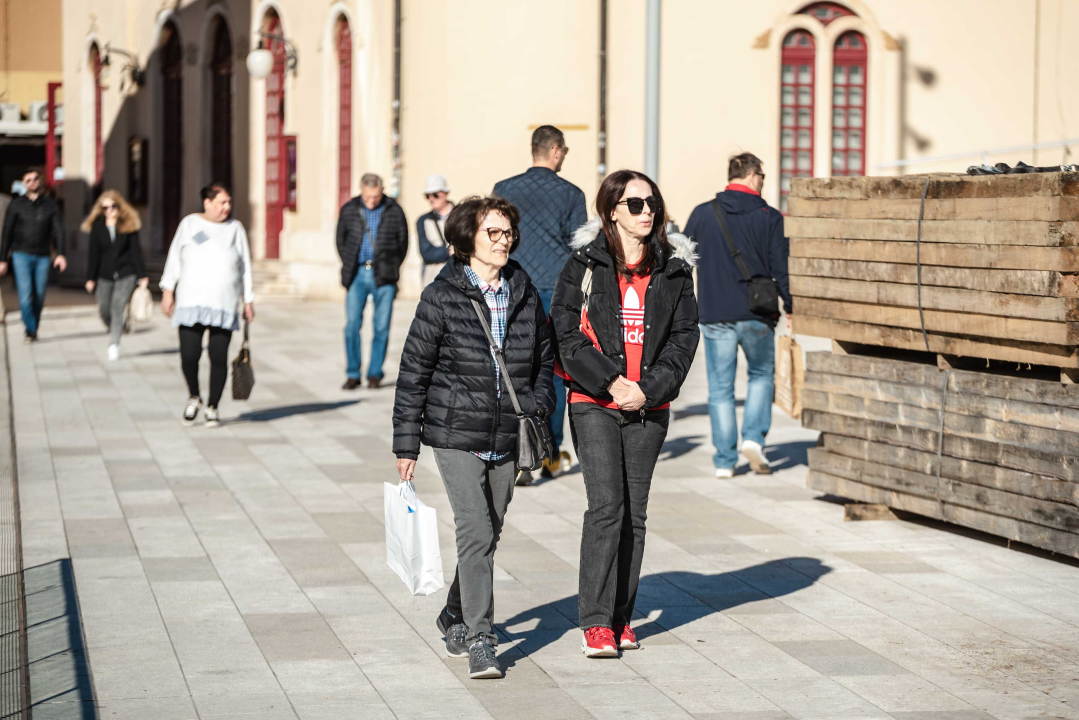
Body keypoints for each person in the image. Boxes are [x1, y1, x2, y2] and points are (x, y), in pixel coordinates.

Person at [392, 196, 554, 680]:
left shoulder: (523, 290)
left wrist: (538, 403)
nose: (505, 241)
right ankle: (483, 637)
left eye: (508, 233)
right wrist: (406, 445)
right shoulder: (441, 296)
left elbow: (544, 359)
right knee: (476, 530)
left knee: (490, 531)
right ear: (466, 241)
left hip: (508, 432)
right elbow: (413, 371)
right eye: (494, 233)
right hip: (454, 431)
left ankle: (453, 614)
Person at [551, 169, 699, 658]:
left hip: (649, 407)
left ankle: (621, 616)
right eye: (635, 204)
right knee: (607, 506)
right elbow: (565, 334)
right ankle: (594, 621)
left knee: (634, 513)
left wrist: (649, 389)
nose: (647, 211)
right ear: (612, 209)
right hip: (594, 402)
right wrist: (611, 382)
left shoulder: (674, 269)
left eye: (651, 202)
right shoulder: (584, 265)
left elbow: (684, 339)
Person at [683, 153, 793, 478]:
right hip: (758, 313)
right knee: (760, 376)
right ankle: (754, 441)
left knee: (720, 388)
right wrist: (792, 306)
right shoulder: (769, 217)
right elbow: (781, 268)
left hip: (715, 314)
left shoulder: (703, 214)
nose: (764, 182)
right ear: (752, 175)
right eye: (763, 176)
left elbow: (683, 259)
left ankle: (724, 461)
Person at [493, 124, 587, 484]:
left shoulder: (504, 190)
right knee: (554, 370)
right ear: (556, 151)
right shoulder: (571, 194)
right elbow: (581, 249)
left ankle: (516, 452)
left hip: (511, 286)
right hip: (554, 289)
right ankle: (548, 452)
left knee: (514, 368)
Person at [159, 183, 254, 428]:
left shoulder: (235, 229)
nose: (227, 207)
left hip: (224, 303)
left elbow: (245, 267)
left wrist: (249, 299)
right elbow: (174, 258)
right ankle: (194, 396)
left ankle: (213, 406)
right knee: (189, 355)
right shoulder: (190, 224)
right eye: (222, 202)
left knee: (218, 356)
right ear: (207, 203)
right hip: (191, 301)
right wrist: (168, 290)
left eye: (229, 202)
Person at [337, 173, 409, 390]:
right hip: (356, 273)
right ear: (361, 190)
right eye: (368, 196)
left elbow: (403, 242)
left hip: (384, 275)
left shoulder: (394, 210)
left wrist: (392, 264)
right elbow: (340, 239)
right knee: (351, 326)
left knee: (381, 327)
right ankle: (353, 373)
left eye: (375, 196)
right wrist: (349, 261)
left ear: (382, 190)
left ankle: (375, 373)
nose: (371, 200)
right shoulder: (349, 209)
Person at [81, 190, 149, 360]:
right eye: (105, 208)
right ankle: (120, 326)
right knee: (104, 310)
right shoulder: (97, 226)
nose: (109, 210)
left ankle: (114, 344)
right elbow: (93, 254)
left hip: (126, 273)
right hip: (104, 275)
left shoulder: (128, 225)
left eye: (113, 206)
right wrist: (90, 277)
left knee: (117, 307)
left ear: (119, 206)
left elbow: (135, 252)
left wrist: (142, 275)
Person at [0, 168, 66, 342]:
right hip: (21, 255)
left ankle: (33, 326)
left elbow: (59, 230)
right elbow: (7, 232)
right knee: (25, 294)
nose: (32, 182)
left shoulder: (50, 205)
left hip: (43, 256)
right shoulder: (16, 205)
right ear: (24, 183)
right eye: (28, 180)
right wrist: (2, 259)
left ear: (40, 181)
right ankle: (30, 329)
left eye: (35, 179)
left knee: (39, 294)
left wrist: (60, 254)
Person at [417, 174, 454, 286]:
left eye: (435, 195)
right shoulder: (423, 220)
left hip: (457, 276)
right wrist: (450, 251)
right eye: (427, 196)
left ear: (445, 193)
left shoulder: (462, 216)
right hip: (433, 279)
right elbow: (427, 253)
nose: (431, 199)